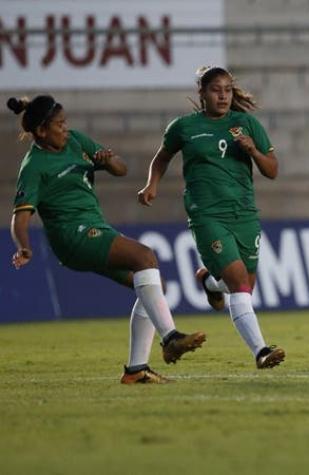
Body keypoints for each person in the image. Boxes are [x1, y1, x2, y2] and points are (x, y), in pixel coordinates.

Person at [8, 95, 205, 384]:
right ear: (41, 131)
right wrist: (24, 247)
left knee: (153, 286)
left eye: (65, 123)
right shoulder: (34, 166)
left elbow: (121, 169)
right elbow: (20, 217)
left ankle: (136, 370)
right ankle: (171, 338)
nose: (65, 128)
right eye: (59, 124)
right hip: (72, 236)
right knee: (144, 256)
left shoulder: (75, 140)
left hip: (96, 227)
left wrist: (107, 161)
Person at [137, 66, 285, 369]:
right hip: (207, 216)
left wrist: (254, 151)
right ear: (202, 93)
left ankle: (209, 281)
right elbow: (162, 157)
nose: (223, 95)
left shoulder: (246, 124)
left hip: (244, 214)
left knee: (242, 286)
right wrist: (151, 183)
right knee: (241, 285)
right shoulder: (184, 127)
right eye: (216, 89)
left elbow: (272, 170)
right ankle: (260, 352)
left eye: (228, 90)